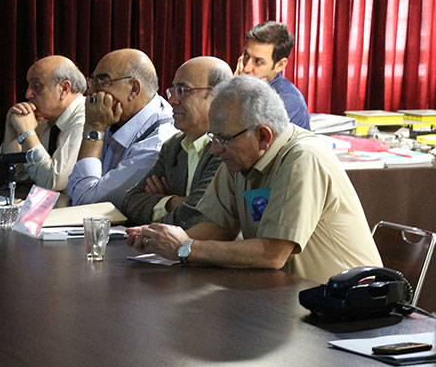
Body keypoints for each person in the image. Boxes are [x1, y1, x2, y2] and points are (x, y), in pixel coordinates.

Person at [127, 75, 381, 283]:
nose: (215, 149)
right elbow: (218, 228)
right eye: (213, 137)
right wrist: (160, 240)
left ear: (263, 136)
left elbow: (273, 254)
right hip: (289, 296)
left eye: (223, 139)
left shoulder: (302, 158)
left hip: (349, 304)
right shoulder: (238, 159)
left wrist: (186, 248)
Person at [122, 57, 231, 229]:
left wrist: (156, 208)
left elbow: (200, 215)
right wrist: (171, 202)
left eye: (182, 90)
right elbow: (130, 203)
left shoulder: (227, 146)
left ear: (217, 96)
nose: (172, 100)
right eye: (172, 91)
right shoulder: (173, 146)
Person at [66, 49, 177, 206]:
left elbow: (87, 203)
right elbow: (73, 188)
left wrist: (94, 128)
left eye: (101, 83)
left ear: (134, 89)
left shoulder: (157, 143)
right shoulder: (112, 117)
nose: (90, 91)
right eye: (92, 82)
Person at [0, 56, 86, 191]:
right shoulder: (46, 118)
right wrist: (12, 130)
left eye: (37, 86)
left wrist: (27, 133)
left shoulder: (85, 117)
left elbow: (54, 183)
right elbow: (17, 175)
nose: (28, 94)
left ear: (64, 89)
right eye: (28, 86)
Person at [236, 21, 310, 129]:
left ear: (280, 65)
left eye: (258, 61)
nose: (246, 68)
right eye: (246, 56)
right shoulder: (251, 87)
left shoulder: (285, 99)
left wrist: (235, 90)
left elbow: (243, 135)